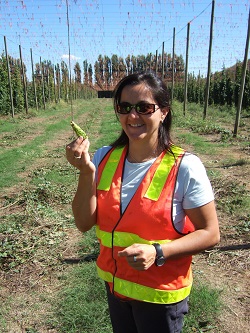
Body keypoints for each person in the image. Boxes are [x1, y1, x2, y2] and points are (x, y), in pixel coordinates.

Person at [66, 72, 220, 333]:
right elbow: (83, 223)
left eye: (144, 108)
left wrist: (158, 251)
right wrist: (86, 171)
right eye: (124, 107)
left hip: (160, 297)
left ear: (163, 112)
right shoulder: (104, 158)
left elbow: (211, 233)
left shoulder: (185, 167)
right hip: (116, 289)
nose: (132, 116)